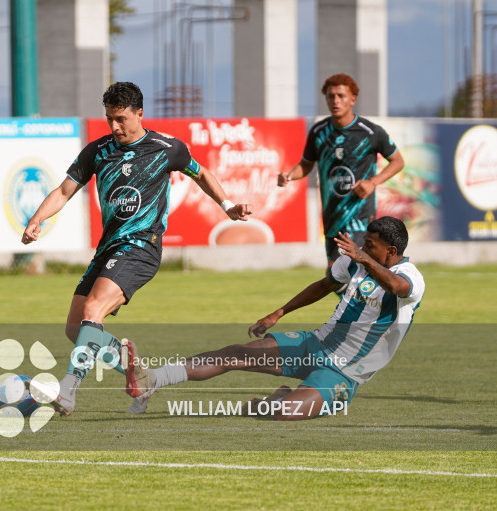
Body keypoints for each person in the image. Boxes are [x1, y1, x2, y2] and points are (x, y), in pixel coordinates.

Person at [21, 81, 252, 417]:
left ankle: (68, 392)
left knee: (93, 310)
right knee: (75, 329)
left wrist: (227, 205)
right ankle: (136, 371)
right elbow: (63, 190)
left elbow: (201, 174)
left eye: (121, 119)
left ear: (139, 113)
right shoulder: (98, 151)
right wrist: (36, 219)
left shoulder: (166, 148)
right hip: (108, 249)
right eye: (109, 119)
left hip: (142, 246)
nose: (115, 127)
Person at [125, 216, 424, 420]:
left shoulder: (409, 276)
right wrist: (279, 312)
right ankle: (152, 379)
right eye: (365, 243)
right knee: (235, 354)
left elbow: (397, 288)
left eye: (371, 245)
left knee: (284, 414)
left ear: (392, 251)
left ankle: (273, 402)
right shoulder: (357, 261)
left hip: (345, 372)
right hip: (315, 345)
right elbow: (324, 285)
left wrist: (364, 258)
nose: (363, 248)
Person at [277, 73, 404, 272]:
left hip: (360, 217)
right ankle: (369, 302)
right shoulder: (319, 132)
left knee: (342, 272)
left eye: (341, 96)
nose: (335, 101)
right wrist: (289, 175)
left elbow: (397, 161)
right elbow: (306, 164)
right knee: (340, 276)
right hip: (332, 217)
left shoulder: (370, 132)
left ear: (353, 99)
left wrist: (372, 182)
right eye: (331, 96)